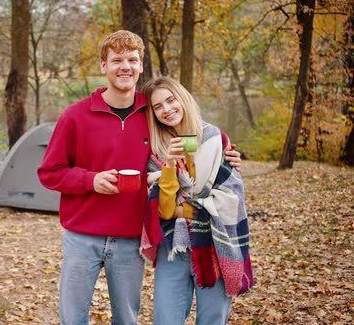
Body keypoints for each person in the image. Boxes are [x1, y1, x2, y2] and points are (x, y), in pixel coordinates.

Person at [37, 30, 243, 324]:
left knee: (127, 320)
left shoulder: (152, 116)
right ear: (103, 66)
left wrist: (229, 154)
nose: (125, 66)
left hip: (130, 240)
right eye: (117, 60)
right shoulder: (75, 116)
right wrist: (90, 180)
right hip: (82, 238)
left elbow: (194, 140)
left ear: (141, 65)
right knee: (72, 319)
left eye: (132, 59)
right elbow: (49, 173)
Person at [139, 76, 254, 325]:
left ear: (183, 98)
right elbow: (164, 210)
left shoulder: (215, 139)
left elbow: (231, 200)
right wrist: (169, 164)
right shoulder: (156, 151)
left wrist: (184, 211)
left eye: (170, 100)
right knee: (164, 320)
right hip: (173, 247)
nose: (167, 109)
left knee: (212, 320)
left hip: (213, 244)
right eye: (158, 107)